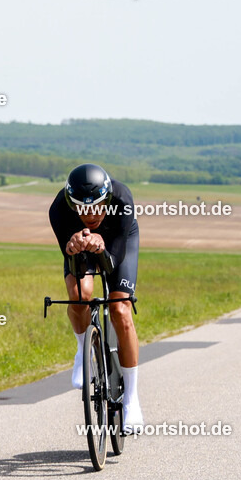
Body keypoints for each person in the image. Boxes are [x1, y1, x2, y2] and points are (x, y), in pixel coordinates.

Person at [48, 163, 143, 432]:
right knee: (80, 295)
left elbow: (114, 260)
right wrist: (74, 243)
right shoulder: (59, 210)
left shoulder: (122, 199)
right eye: (82, 208)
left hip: (116, 241)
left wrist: (101, 245)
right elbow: (70, 256)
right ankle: (83, 351)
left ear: (108, 199)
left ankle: (132, 400)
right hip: (81, 243)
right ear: (71, 203)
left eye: (97, 206)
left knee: (121, 309)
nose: (90, 214)